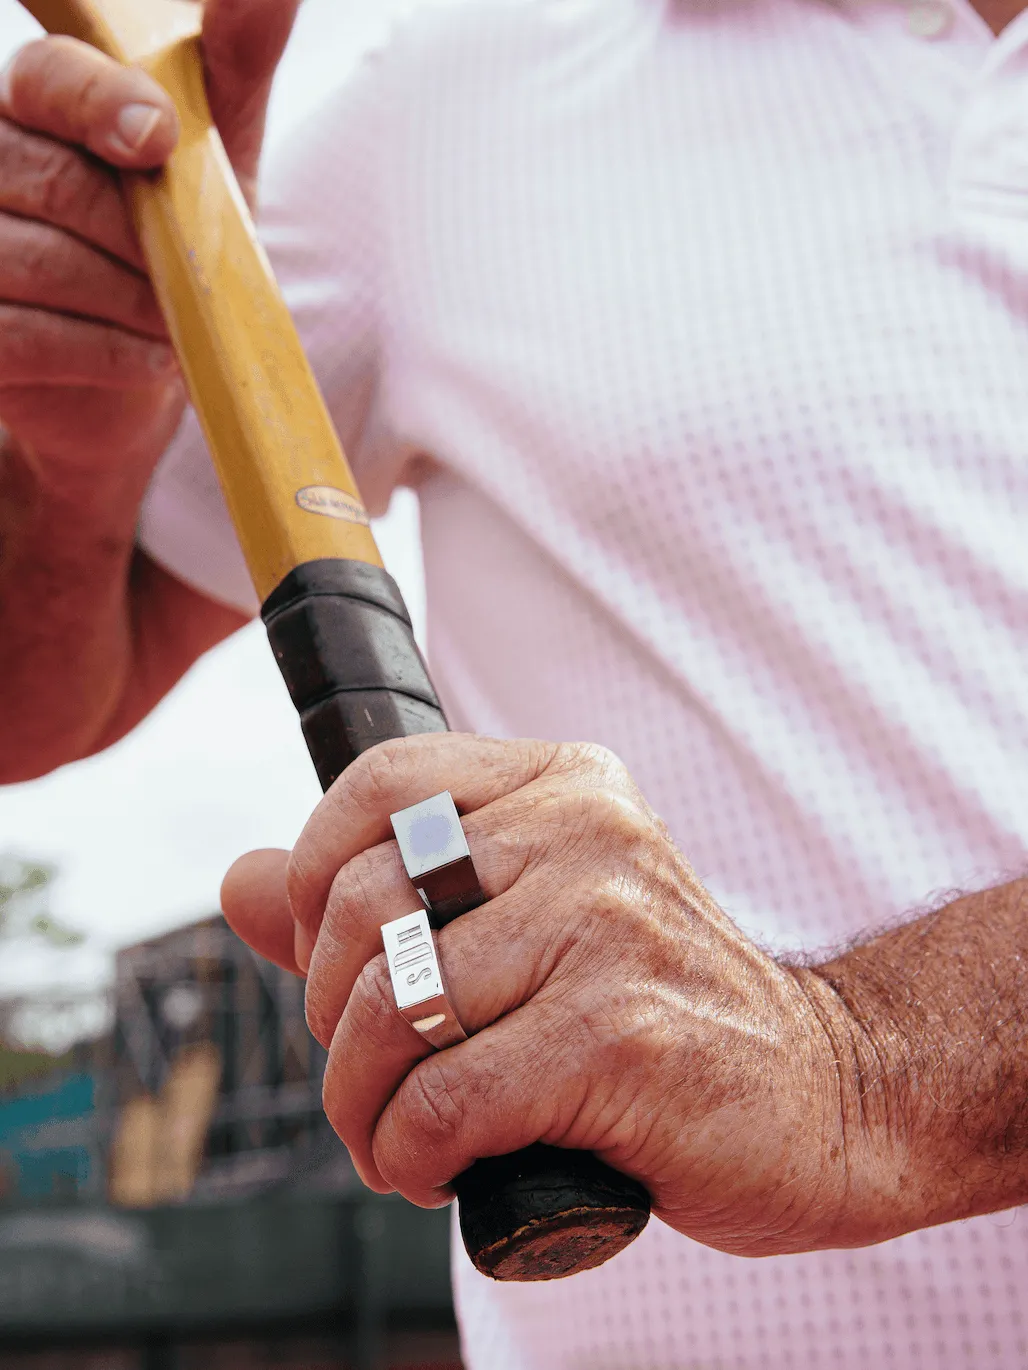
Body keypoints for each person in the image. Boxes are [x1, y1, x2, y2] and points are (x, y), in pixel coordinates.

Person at [1, 0, 1026, 1364]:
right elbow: (44, 690)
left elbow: (851, 1072)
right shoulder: (442, 105)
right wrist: (80, 462)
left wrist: (861, 1065)